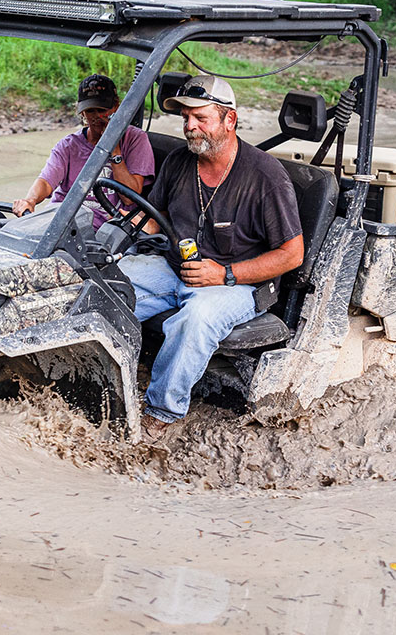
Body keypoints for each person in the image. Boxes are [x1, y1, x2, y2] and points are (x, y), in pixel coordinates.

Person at [119, 74, 304, 443]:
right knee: (111, 282)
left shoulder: (266, 177)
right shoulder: (179, 162)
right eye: (185, 118)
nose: (189, 126)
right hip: (175, 268)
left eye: (200, 118)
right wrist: (120, 233)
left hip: (239, 284)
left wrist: (226, 273)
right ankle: (97, 375)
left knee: (196, 319)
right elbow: (154, 218)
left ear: (229, 120)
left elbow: (292, 254)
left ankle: (161, 415)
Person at [12, 74, 155, 230]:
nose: (96, 117)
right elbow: (46, 181)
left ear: (116, 107)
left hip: (105, 229)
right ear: (81, 113)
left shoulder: (135, 140)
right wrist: (30, 200)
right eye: (90, 111)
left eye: (102, 110)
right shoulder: (69, 146)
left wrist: (113, 149)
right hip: (62, 220)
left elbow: (129, 198)